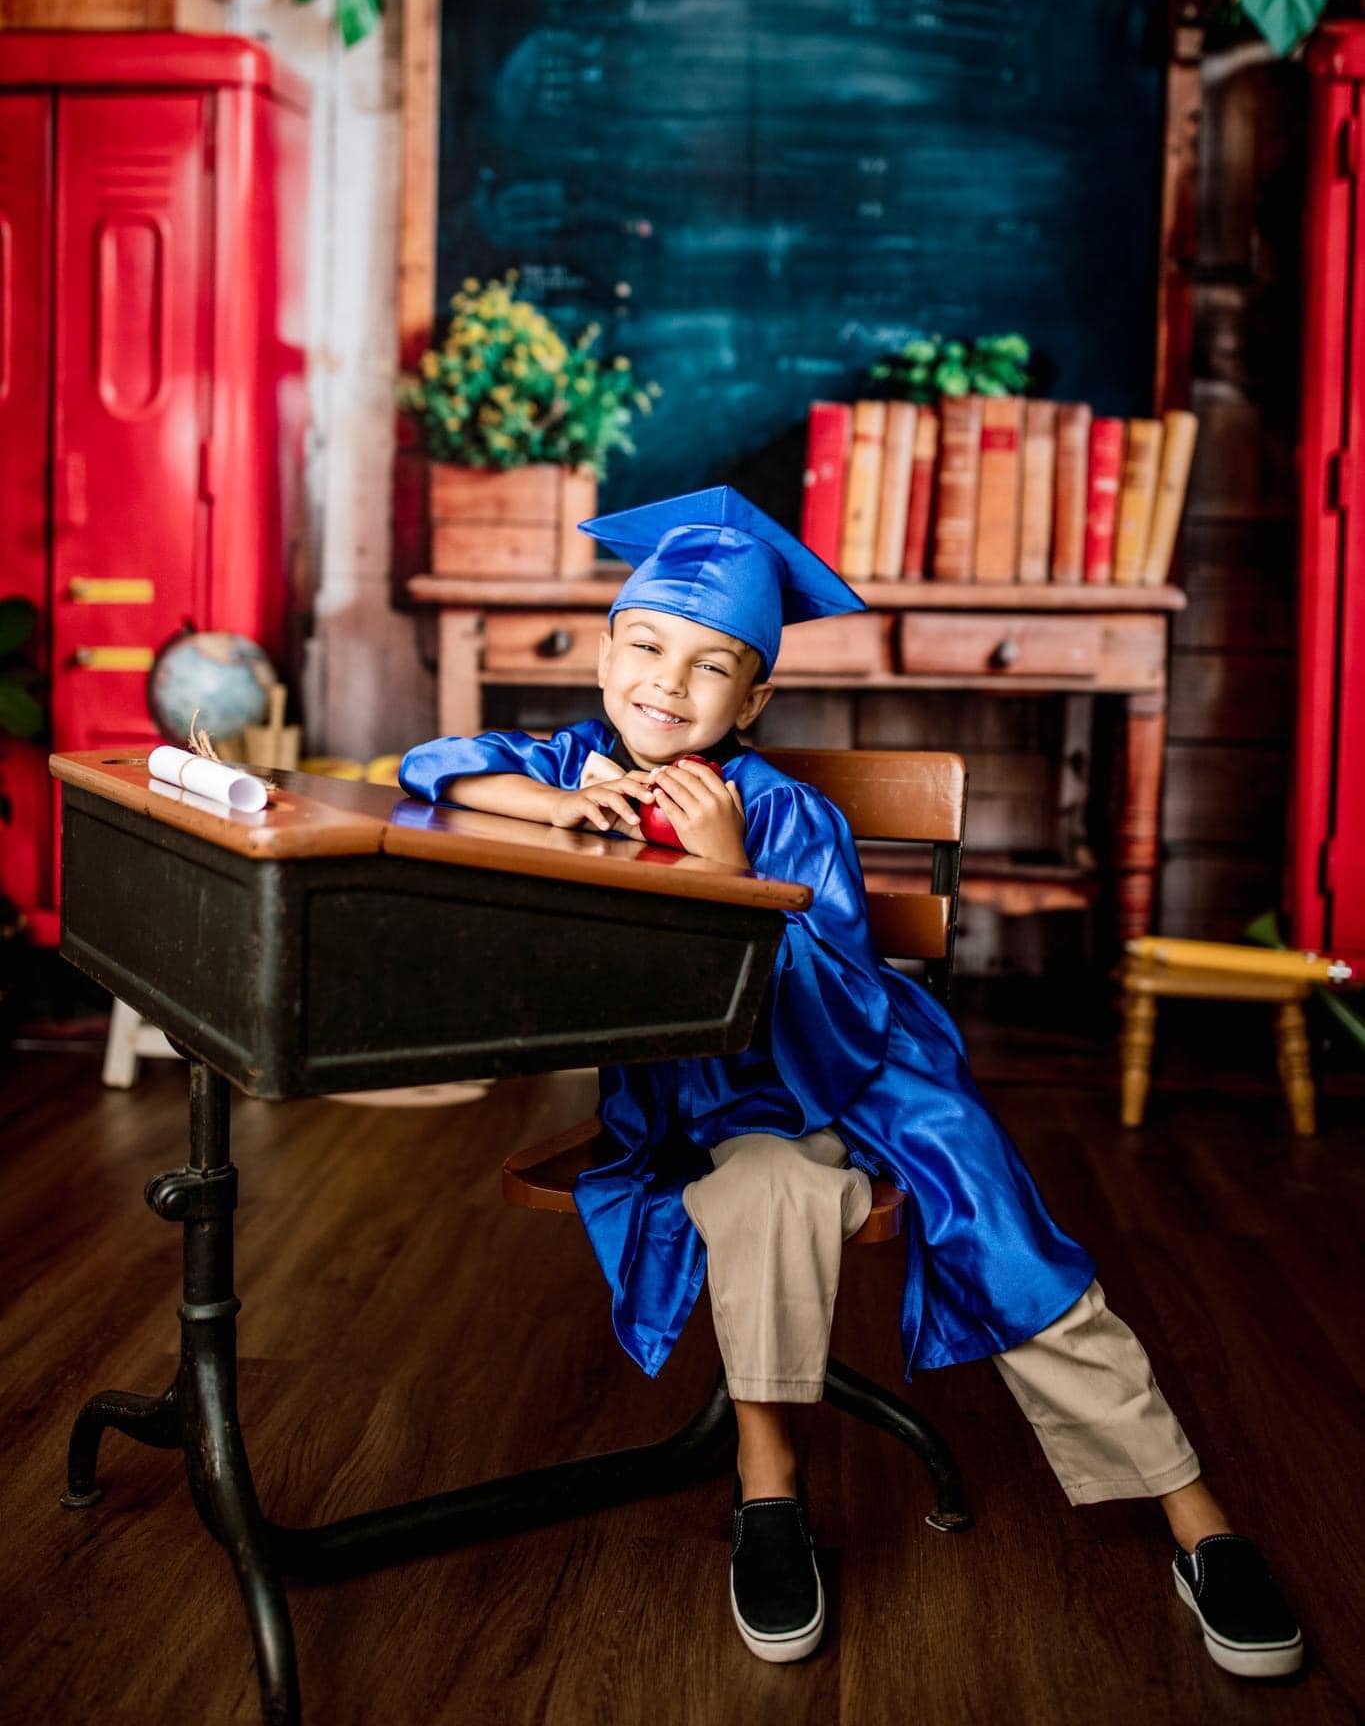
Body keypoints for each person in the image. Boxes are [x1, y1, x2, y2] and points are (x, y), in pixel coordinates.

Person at [399, 486, 1302, 1677]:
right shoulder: (572, 766)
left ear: (755, 697)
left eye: (712, 665)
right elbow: (434, 763)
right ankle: (769, 1493)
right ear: (607, 647)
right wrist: (565, 805)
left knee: (1001, 1228)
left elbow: (831, 1016)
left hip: (862, 1081)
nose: (669, 683)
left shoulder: (784, 813)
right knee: (762, 1192)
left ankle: (1196, 1516)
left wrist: (729, 877)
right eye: (649, 645)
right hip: (695, 1107)